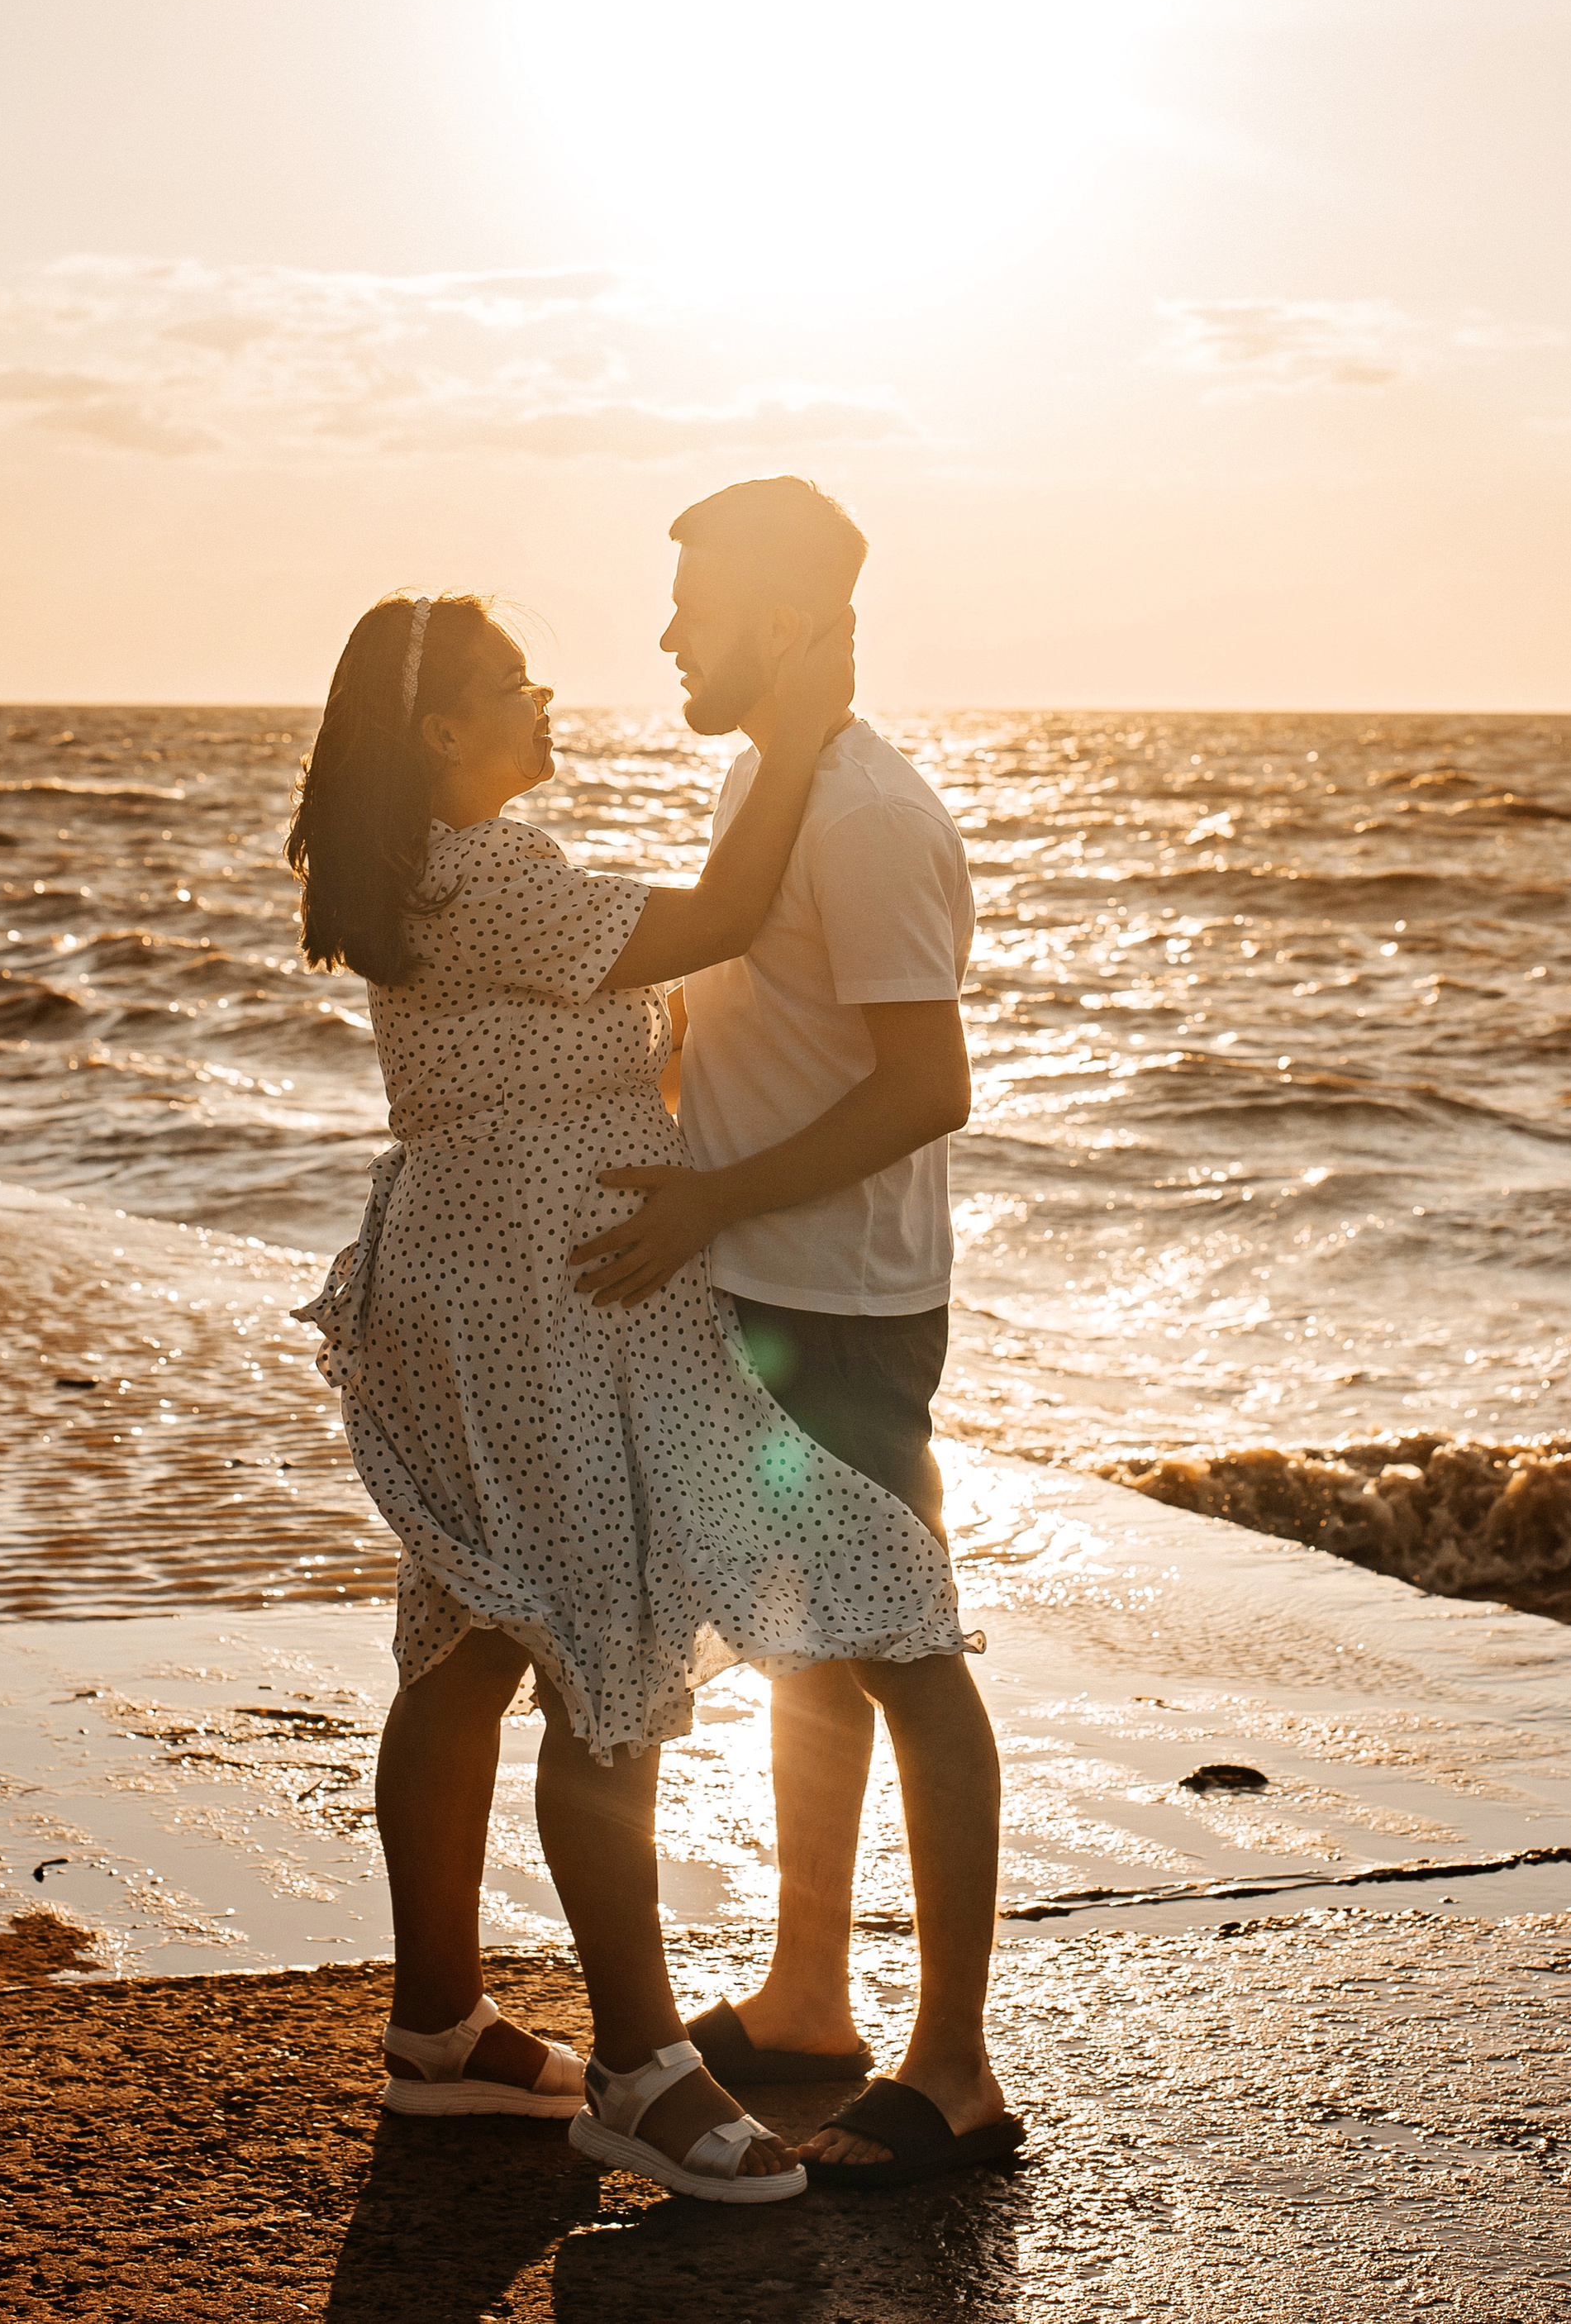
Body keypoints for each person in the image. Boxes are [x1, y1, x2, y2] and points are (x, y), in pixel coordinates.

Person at [285, 588, 971, 2207]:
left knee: (464, 1645)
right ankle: (639, 2069)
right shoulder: (493, 886)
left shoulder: (440, 881)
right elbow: (731, 912)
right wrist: (799, 733)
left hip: (479, 1285)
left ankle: (441, 2031)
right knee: (603, 1645)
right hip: (535, 1305)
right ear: (441, 731)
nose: (550, 701)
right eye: (514, 686)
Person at [568, 479, 1021, 2188]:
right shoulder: (765, 776)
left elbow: (927, 1083)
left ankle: (956, 2069)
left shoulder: (867, 815)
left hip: (842, 1303)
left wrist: (711, 1195)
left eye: (693, 601)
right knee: (802, 1638)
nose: (668, 631)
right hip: (755, 1286)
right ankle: (811, 1997)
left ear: (784, 614)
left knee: (904, 1645)